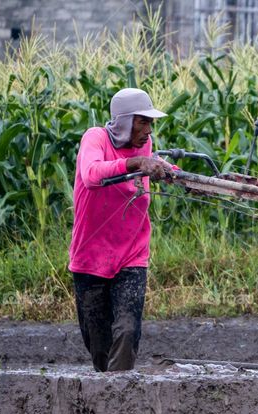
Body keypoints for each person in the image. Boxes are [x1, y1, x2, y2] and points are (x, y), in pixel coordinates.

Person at [69, 88, 175, 372]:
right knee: (99, 344)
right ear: (125, 121)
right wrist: (136, 163)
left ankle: (121, 396)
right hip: (90, 255)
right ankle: (107, 395)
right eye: (143, 122)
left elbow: (149, 167)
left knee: (127, 331)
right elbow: (91, 175)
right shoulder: (96, 138)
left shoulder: (145, 144)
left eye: (150, 123)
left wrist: (171, 172)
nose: (148, 130)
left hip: (132, 253)